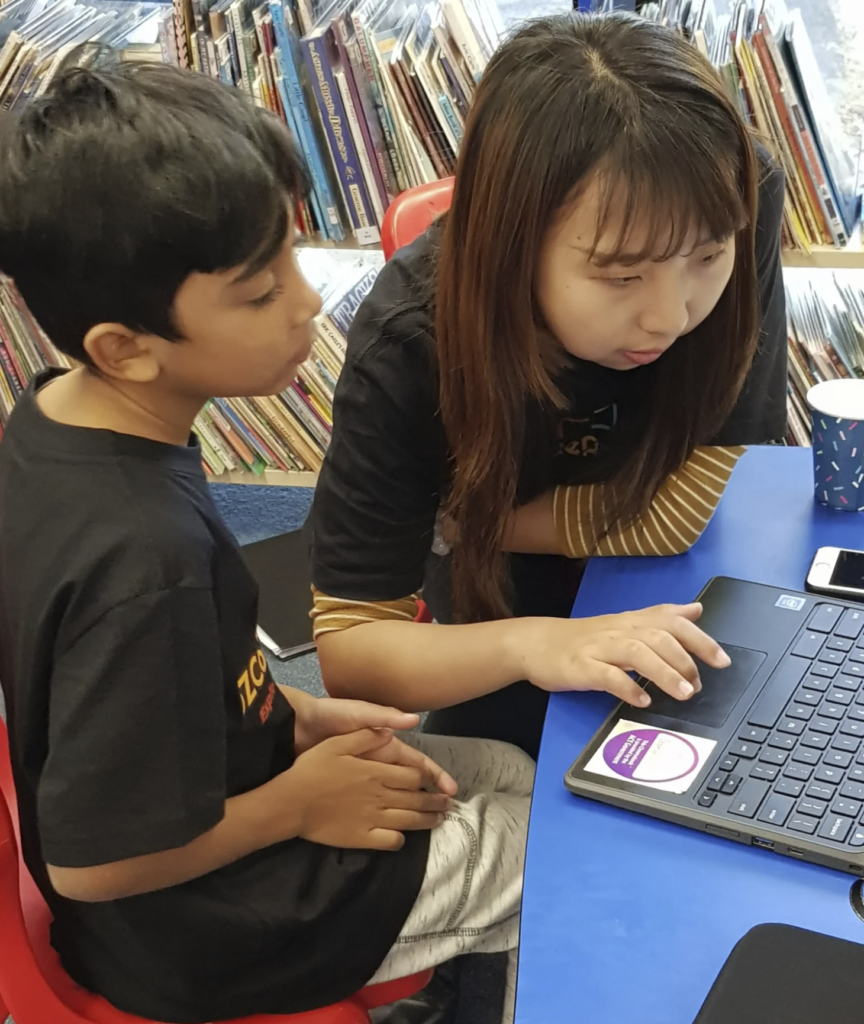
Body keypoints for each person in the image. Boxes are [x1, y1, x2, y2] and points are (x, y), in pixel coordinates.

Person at [0, 62, 532, 1024]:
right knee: (569, 855)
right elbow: (91, 866)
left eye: (290, 256)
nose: (306, 303)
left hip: (238, 804)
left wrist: (292, 715)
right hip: (211, 924)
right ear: (126, 348)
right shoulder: (142, 560)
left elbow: (166, 682)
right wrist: (299, 804)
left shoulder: (56, 419)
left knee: (523, 778)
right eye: (257, 292)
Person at [309, 11, 787, 759]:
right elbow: (353, 650)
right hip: (500, 609)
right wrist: (531, 641)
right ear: (513, 243)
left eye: (708, 257)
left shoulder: (730, 186)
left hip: (667, 574)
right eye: (621, 274)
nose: (670, 317)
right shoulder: (409, 342)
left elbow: (719, 487)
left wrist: (474, 521)